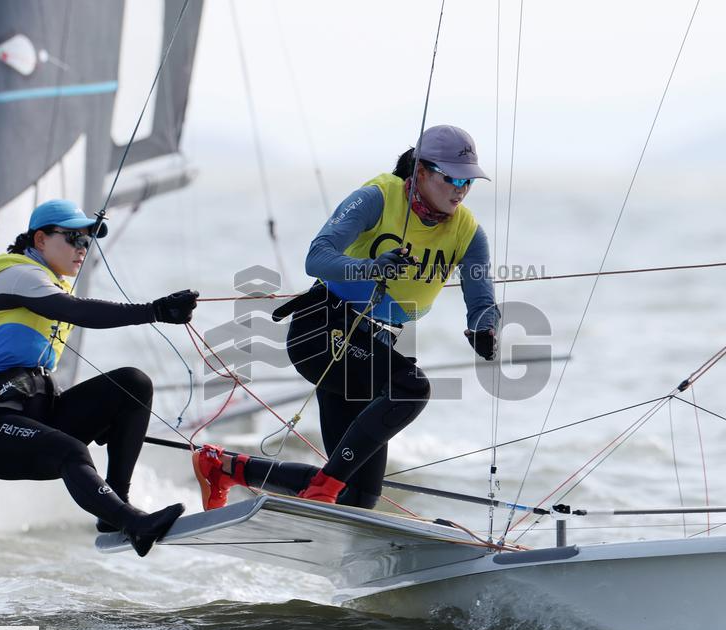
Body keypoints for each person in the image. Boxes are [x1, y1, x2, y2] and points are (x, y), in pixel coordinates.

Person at [193, 125, 499, 510]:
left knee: (358, 496)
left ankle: (225, 468)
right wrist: (369, 268)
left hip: (372, 345)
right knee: (412, 388)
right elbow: (315, 258)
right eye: (452, 177)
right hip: (322, 331)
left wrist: (485, 327)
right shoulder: (377, 197)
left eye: (468, 180)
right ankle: (321, 487)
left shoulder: (468, 232)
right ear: (420, 171)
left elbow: (480, 294)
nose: (461, 189)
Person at [0, 199, 198, 557]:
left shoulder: (50, 282)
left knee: (133, 383)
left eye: (87, 240)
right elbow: (75, 311)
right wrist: (154, 311)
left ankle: (115, 506)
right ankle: (133, 523)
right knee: (71, 450)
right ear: (41, 239)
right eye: (73, 238)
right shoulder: (16, 273)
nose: (83, 248)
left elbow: (71, 307)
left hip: (42, 414)